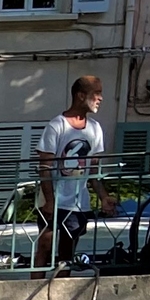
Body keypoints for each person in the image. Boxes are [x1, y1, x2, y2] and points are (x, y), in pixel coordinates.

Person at [37, 75, 106, 267]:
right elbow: (44, 167)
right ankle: (35, 291)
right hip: (53, 200)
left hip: (77, 204)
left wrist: (104, 197)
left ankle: (60, 292)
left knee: (67, 253)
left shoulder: (95, 129)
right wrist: (50, 201)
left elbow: (93, 172)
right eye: (97, 93)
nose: (100, 98)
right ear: (81, 96)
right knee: (45, 245)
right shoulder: (56, 125)